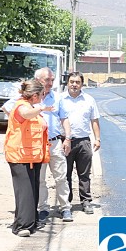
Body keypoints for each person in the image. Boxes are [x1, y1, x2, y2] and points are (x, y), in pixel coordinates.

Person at [4, 79, 52, 237]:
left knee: (32, 190)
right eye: (42, 95)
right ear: (36, 95)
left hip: (32, 157)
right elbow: (25, 114)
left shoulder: (31, 107)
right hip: (20, 157)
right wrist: (41, 108)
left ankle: (30, 222)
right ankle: (22, 226)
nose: (43, 98)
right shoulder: (22, 106)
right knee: (25, 191)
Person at [35, 68, 74, 223]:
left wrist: (68, 139)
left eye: (52, 80)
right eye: (47, 80)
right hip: (37, 145)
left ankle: (65, 208)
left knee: (61, 177)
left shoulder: (57, 98)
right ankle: (43, 209)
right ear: (38, 80)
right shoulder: (31, 98)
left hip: (56, 143)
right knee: (40, 180)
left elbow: (64, 119)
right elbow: (10, 108)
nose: (50, 83)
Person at [61, 72, 101, 215]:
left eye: (77, 82)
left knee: (84, 174)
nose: (74, 85)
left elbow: (94, 120)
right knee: (65, 174)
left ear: (82, 84)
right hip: (65, 141)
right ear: (67, 83)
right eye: (72, 81)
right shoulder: (60, 99)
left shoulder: (89, 100)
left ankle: (86, 201)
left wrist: (97, 138)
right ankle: (66, 203)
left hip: (84, 141)